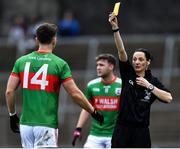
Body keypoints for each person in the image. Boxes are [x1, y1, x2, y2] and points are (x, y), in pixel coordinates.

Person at [5, 23, 103, 148]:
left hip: (25, 126)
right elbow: (75, 94)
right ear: (54, 40)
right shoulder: (59, 64)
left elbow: (9, 91)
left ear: (36, 39)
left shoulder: (21, 62)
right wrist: (93, 112)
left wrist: (12, 115)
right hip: (46, 125)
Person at [108, 13, 173, 148]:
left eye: (141, 59)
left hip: (141, 132)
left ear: (147, 62)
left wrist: (149, 86)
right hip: (122, 129)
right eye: (135, 59)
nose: (137, 62)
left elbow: (168, 98)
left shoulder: (152, 81)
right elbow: (121, 51)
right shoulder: (128, 74)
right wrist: (115, 28)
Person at [72, 53, 122, 148]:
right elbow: (87, 108)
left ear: (111, 66)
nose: (98, 68)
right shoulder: (91, 85)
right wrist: (78, 128)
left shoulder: (121, 85)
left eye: (101, 65)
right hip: (95, 135)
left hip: (115, 135)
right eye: (97, 65)